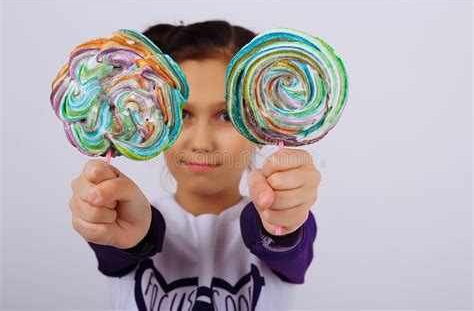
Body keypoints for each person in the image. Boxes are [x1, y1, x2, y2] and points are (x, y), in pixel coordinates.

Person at [69, 20, 321, 311]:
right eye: (184, 114)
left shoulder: (274, 225)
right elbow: (125, 242)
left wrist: (282, 219)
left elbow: (285, 242)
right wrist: (117, 223)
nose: (201, 143)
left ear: (263, 123)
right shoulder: (129, 221)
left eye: (226, 116)